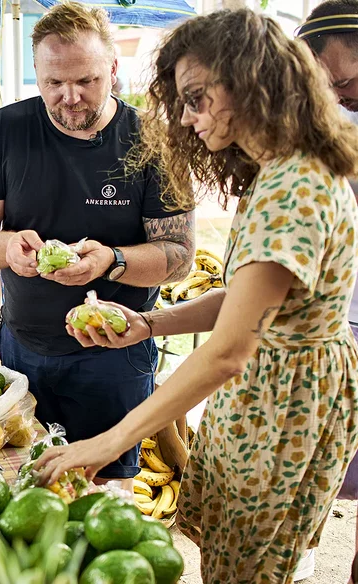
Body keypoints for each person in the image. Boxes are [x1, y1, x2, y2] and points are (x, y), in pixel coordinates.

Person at [34, 9, 358, 584]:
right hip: (266, 395)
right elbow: (248, 297)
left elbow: (230, 349)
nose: (186, 117)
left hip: (283, 406)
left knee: (246, 570)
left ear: (250, 82)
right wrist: (148, 323)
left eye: (197, 97)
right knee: (228, 554)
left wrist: (108, 441)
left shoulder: (295, 187)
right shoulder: (278, 171)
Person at [0, 2, 195, 487]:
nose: (70, 97)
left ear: (112, 68)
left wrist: (112, 261)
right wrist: (7, 249)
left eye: (86, 81)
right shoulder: (4, 130)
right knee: (24, 488)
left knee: (106, 495)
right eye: (53, 83)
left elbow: (179, 258)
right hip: (22, 348)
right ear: (37, 74)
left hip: (114, 354)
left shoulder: (154, 139)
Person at [298, 2, 358, 579]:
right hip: (333, 324)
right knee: (317, 478)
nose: (342, 93)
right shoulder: (313, 134)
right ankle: (308, 556)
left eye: (349, 80)